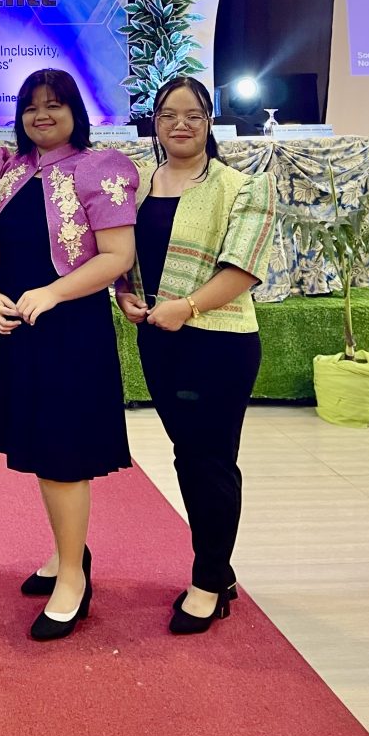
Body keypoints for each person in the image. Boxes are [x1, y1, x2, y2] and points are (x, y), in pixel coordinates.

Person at [115, 75, 275, 634]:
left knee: (210, 460)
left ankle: (208, 582)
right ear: (155, 123)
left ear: (209, 122)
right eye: (168, 114)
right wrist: (125, 293)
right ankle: (218, 566)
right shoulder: (135, 184)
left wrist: (186, 307)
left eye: (192, 115)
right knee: (189, 456)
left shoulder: (243, 187)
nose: (179, 124)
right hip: (159, 341)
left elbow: (244, 268)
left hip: (219, 342)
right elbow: (120, 255)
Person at [0, 68, 137, 642]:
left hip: (70, 332)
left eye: (54, 105)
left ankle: (73, 577)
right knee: (41, 453)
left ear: (76, 111)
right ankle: (66, 552)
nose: (41, 115)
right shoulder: (8, 170)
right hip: (18, 328)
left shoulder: (101, 168)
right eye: (31, 106)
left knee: (63, 458)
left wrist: (52, 293)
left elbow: (116, 256)